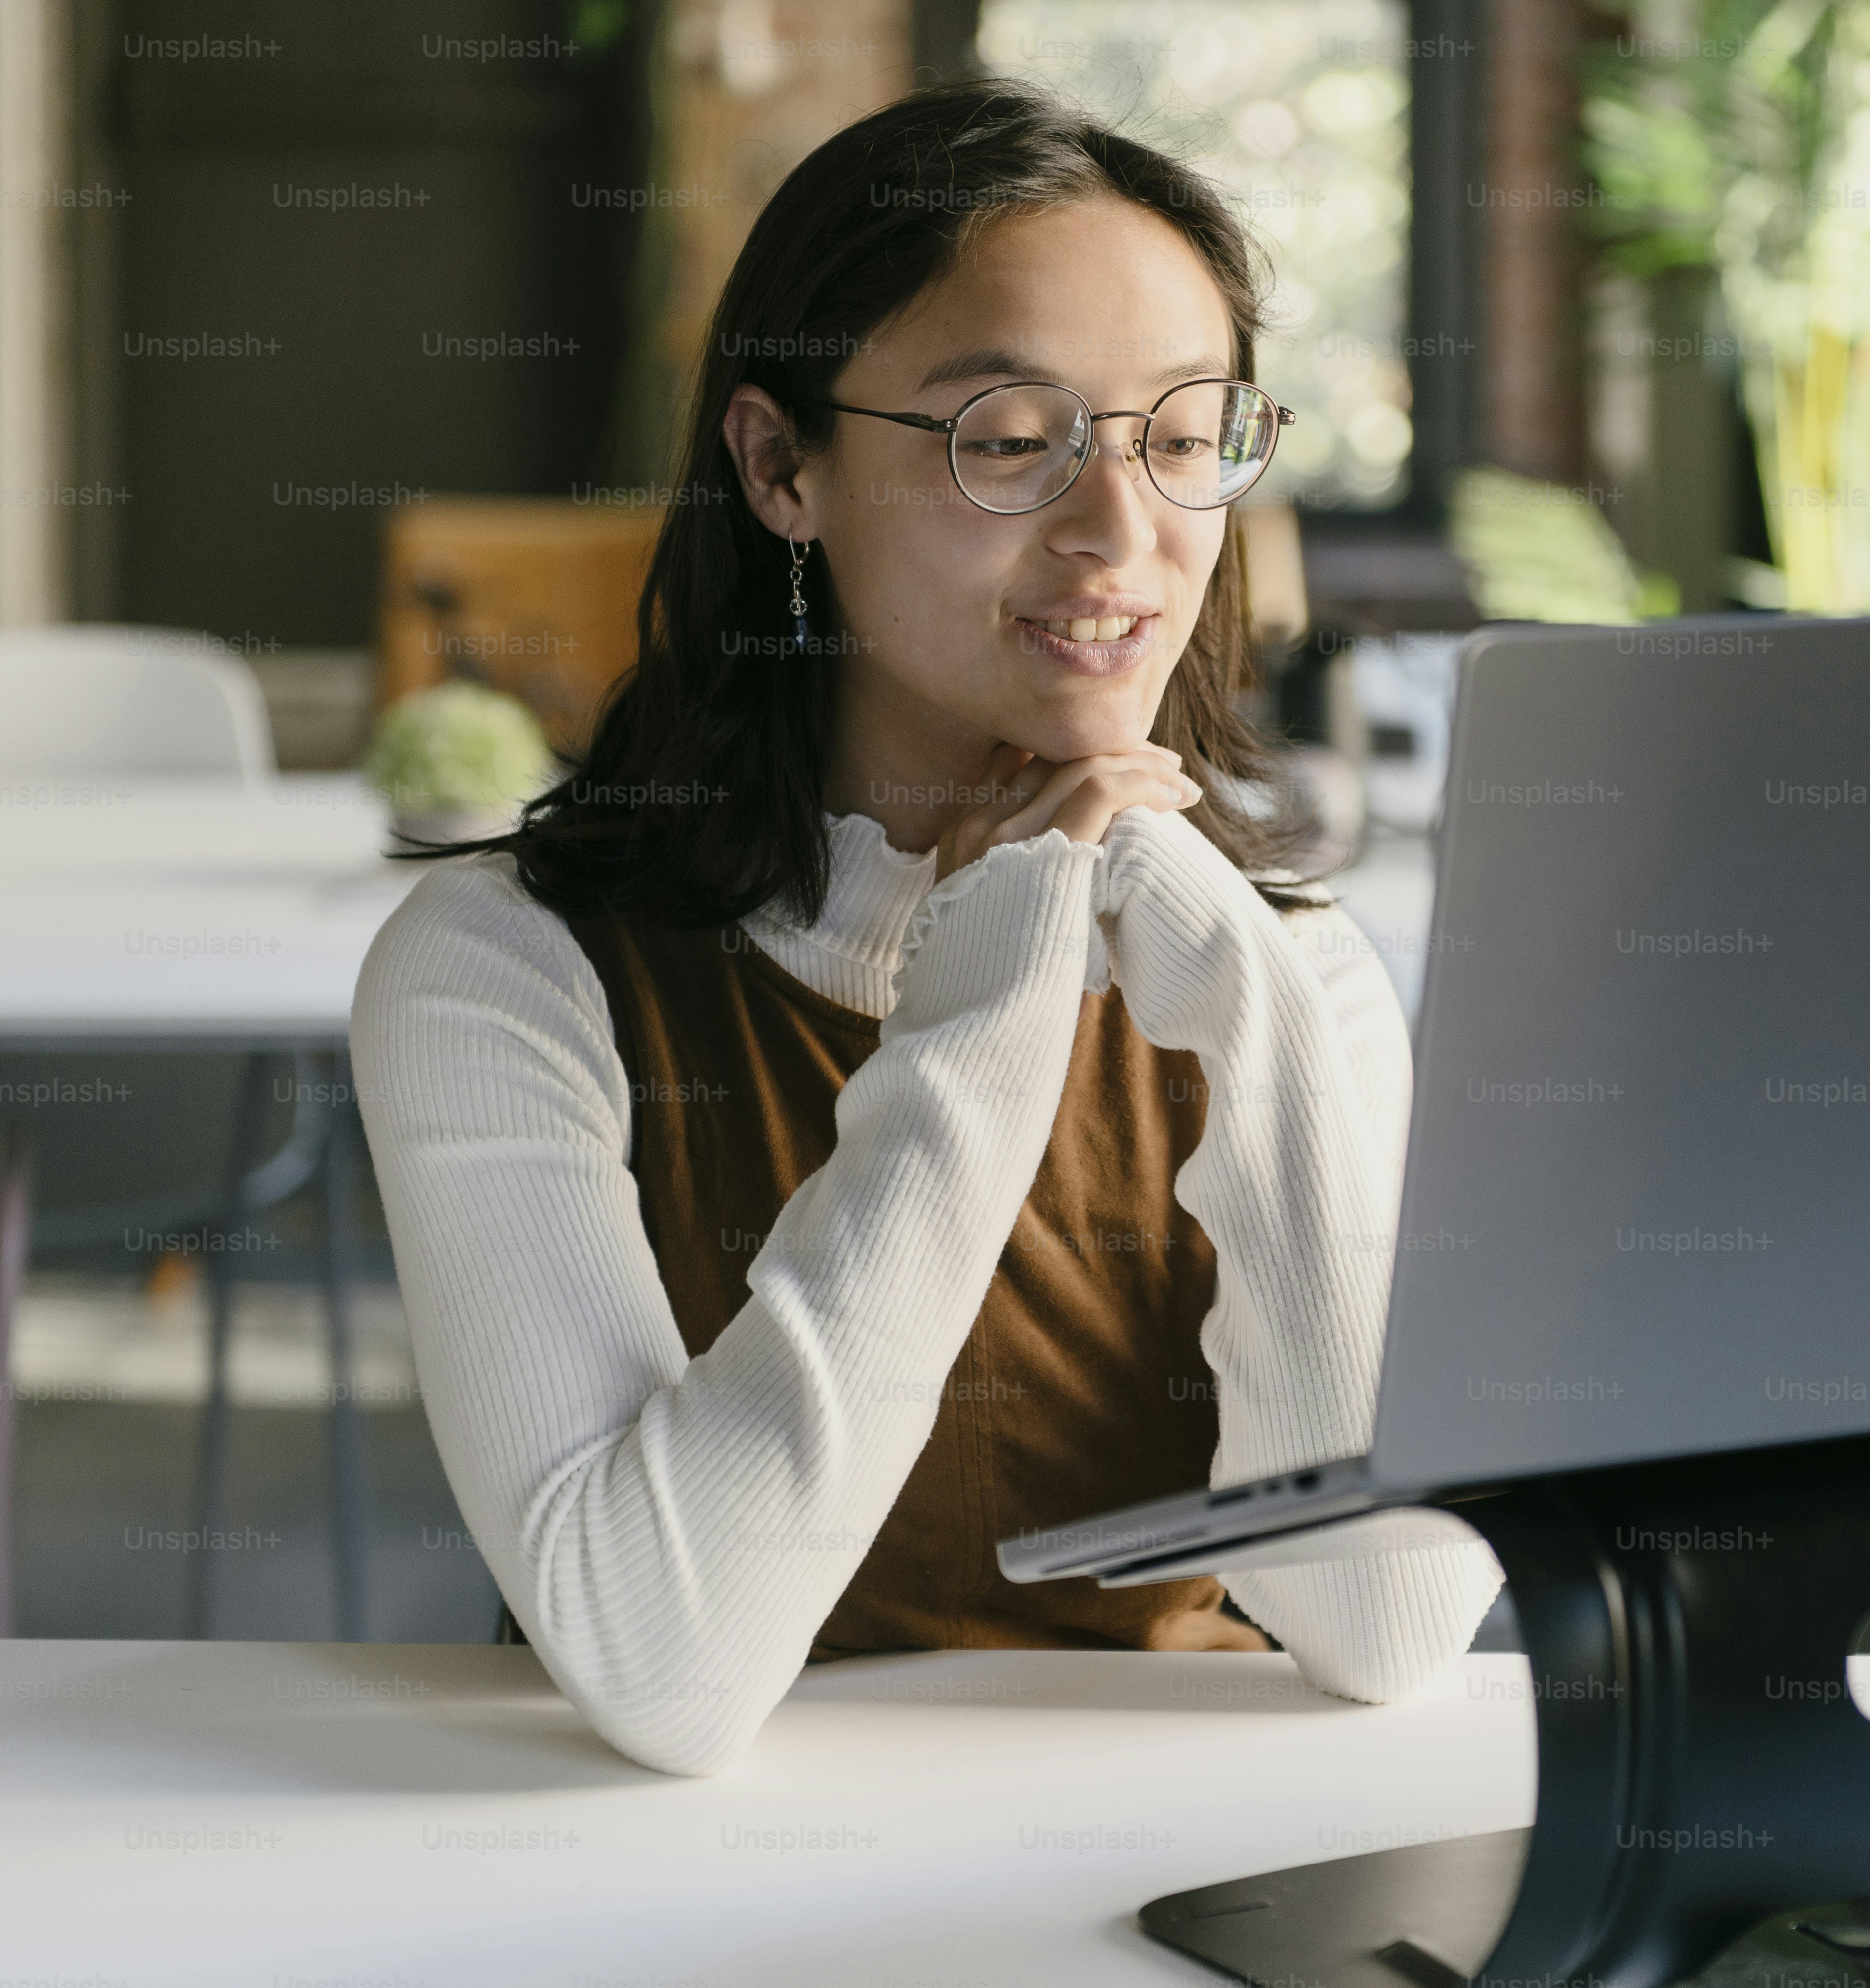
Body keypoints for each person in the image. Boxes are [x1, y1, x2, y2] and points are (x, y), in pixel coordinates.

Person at [349, 79, 1502, 1776]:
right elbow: (665, 1667)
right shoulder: (507, 969)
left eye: (1186, 436)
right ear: (778, 466)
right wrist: (1001, 969)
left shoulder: (1286, 967)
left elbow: (1389, 1629)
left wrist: (1251, 1013)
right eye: (1011, 438)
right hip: (647, 1892)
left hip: (1165, 1860)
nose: (1126, 534)